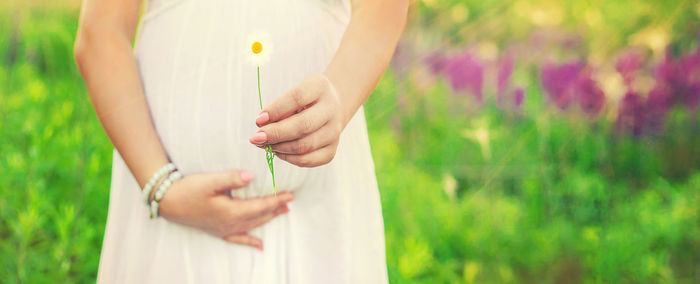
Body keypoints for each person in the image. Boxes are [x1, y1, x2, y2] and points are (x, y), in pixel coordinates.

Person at [74, 0, 407, 282]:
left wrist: (340, 94)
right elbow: (101, 33)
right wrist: (162, 187)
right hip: (171, 226)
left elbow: (383, 11)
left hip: (317, 222)